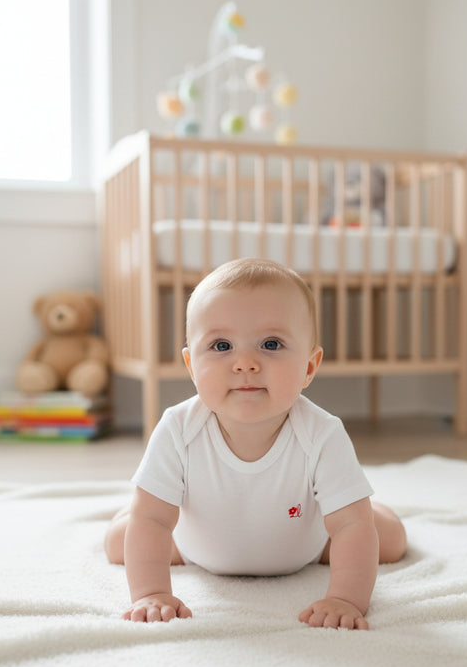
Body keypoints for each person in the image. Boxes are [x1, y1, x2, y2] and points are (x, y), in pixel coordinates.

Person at [105, 258, 406, 629]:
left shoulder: (322, 433)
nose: (245, 363)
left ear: (309, 367)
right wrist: (151, 592)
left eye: (270, 344)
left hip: (304, 545)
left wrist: (345, 598)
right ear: (191, 366)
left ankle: (362, 502)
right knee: (125, 537)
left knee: (386, 538)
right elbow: (152, 519)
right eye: (221, 345)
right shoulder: (178, 429)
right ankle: (134, 509)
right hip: (196, 546)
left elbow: (349, 528)